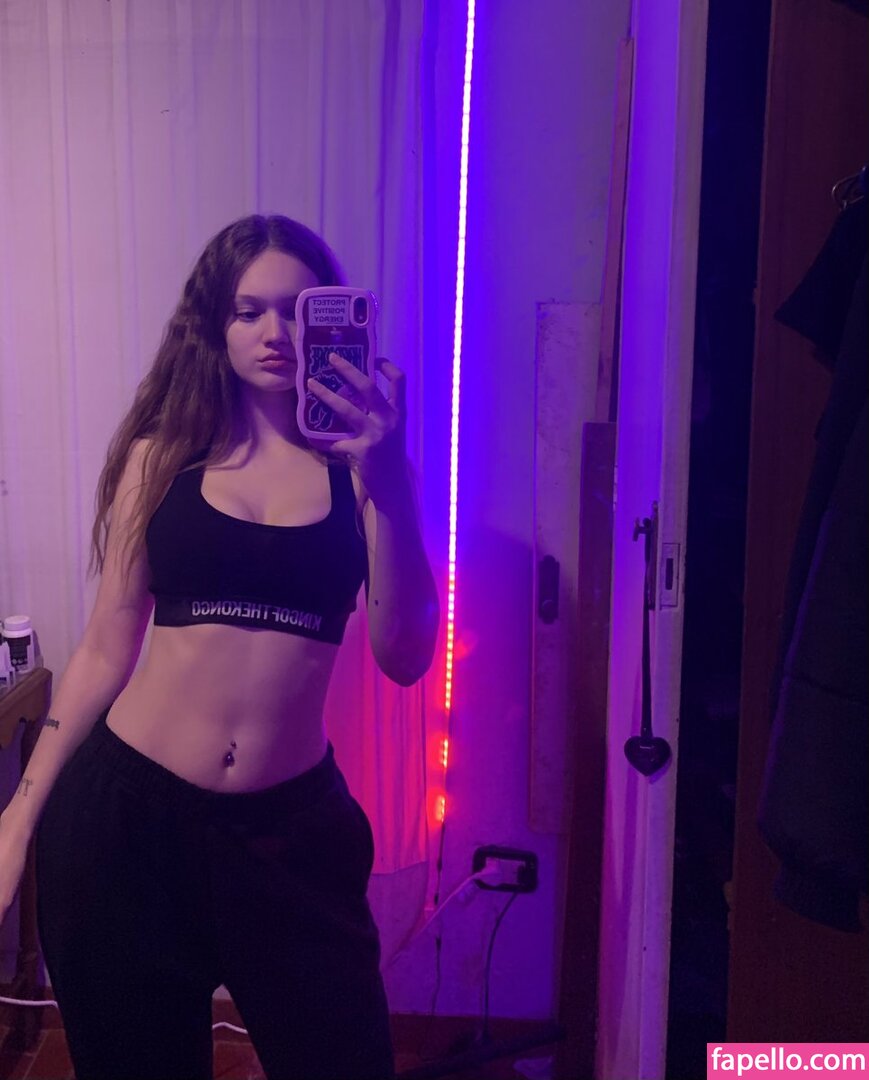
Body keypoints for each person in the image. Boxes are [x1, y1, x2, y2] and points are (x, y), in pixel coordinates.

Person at [0, 214, 440, 1080]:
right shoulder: (160, 459)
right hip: (125, 827)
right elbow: (103, 652)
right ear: (215, 325)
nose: (275, 333)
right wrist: (16, 821)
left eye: (296, 310)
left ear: (330, 319)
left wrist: (391, 484)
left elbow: (406, 654)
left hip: (290, 835)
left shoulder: (363, 472)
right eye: (248, 311)